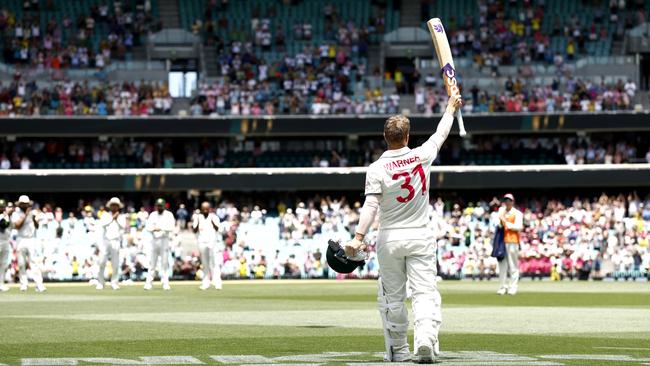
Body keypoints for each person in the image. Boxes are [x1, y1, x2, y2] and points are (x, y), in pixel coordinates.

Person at [344, 95, 463, 363]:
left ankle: (398, 350)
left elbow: (371, 206)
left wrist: (358, 238)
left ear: (385, 138)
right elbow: (441, 132)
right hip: (420, 234)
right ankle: (424, 340)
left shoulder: (376, 168)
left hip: (389, 238)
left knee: (392, 297)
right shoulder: (422, 155)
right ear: (407, 137)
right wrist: (450, 108)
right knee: (424, 292)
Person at [12, 195, 46, 292]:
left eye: (26, 204)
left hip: (31, 239)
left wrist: (34, 219)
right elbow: (17, 226)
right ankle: (23, 284)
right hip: (20, 239)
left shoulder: (32, 213)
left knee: (34, 262)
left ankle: (39, 284)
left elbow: (37, 226)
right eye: (23, 204)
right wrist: (25, 215)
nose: (25, 206)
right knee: (21, 263)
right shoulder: (16, 213)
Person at [144, 198, 175, 291]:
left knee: (164, 263)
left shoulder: (169, 215)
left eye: (161, 206)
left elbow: (171, 227)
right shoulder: (153, 215)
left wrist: (160, 228)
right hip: (154, 240)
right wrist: (154, 229)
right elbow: (148, 227)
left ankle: (165, 283)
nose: (159, 207)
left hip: (164, 240)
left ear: (164, 206)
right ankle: (148, 283)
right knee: (152, 263)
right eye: (158, 206)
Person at [192, 201, 223, 290]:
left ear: (209, 209)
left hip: (212, 242)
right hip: (202, 242)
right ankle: (205, 283)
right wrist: (197, 221)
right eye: (203, 208)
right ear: (201, 209)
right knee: (205, 264)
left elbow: (218, 229)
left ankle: (217, 282)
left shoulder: (214, 217)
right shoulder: (198, 217)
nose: (205, 210)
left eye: (207, 208)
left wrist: (212, 222)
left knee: (214, 263)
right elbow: (194, 230)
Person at [97, 197, 126, 290]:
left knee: (115, 264)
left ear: (118, 207)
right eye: (112, 205)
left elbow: (123, 226)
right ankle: (100, 282)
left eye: (116, 205)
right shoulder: (105, 215)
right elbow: (103, 224)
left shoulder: (121, 217)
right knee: (102, 262)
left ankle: (114, 282)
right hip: (105, 241)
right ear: (110, 206)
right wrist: (112, 218)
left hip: (115, 241)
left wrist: (117, 219)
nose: (114, 207)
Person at [496, 193, 523, 295]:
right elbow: (497, 223)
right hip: (501, 241)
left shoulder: (518, 213)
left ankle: (513, 286)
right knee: (502, 265)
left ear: (513, 202)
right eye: (506, 200)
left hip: (512, 241)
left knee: (513, 265)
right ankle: (502, 286)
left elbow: (519, 226)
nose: (507, 202)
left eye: (509, 200)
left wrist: (506, 223)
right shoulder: (501, 212)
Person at [0, 200, 13, 292]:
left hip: (6, 241)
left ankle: (1, 283)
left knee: (4, 264)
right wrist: (6, 215)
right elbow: (4, 225)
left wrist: (8, 215)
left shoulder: (7, 216)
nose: (2, 208)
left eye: (3, 206)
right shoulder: (4, 216)